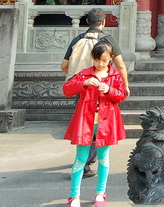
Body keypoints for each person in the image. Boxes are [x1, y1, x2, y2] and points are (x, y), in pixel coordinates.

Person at [61, 8, 130, 179]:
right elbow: (120, 65)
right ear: (104, 22)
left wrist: (78, 79)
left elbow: (64, 65)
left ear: (87, 22)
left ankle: (83, 161)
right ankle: (85, 164)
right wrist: (125, 85)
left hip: (81, 86)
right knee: (97, 126)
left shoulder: (77, 39)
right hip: (103, 88)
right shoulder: (108, 40)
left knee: (85, 126)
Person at [63, 42, 127, 207]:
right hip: (85, 121)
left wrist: (108, 90)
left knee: (103, 157)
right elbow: (67, 89)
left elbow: (121, 96)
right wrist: (84, 84)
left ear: (111, 59)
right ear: (92, 57)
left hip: (106, 122)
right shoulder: (84, 74)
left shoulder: (115, 76)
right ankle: (74, 195)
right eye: (97, 60)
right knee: (80, 157)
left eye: (104, 60)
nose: (100, 63)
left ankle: (100, 192)